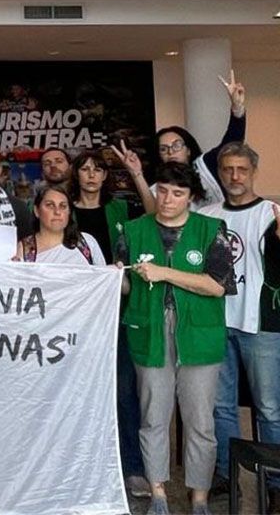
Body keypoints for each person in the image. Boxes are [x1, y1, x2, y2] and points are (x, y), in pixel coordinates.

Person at [116, 161, 235, 515]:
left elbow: (216, 286)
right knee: (153, 415)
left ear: (191, 198)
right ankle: (158, 494)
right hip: (148, 330)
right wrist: (113, 277)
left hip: (198, 335)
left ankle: (198, 497)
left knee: (200, 420)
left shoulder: (212, 229)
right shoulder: (132, 230)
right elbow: (124, 284)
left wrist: (165, 272)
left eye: (178, 193)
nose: (167, 199)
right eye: (162, 191)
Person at [69, 146, 153, 499]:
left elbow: (153, 215)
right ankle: (76, 465)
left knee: (123, 392)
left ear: (105, 176)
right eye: (85, 168)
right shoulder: (62, 209)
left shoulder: (120, 209)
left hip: (117, 313)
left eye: (97, 169)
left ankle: (132, 467)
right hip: (73, 316)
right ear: (77, 175)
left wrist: (136, 173)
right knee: (73, 391)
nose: (90, 174)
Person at [199, 143, 280, 506]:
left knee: (269, 408)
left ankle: (275, 480)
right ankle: (231, 476)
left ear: (253, 172)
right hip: (216, 321)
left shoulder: (270, 214)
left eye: (242, 170)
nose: (234, 176)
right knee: (221, 406)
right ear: (220, 172)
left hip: (260, 324)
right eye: (228, 169)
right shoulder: (207, 214)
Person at [153, 70, 246, 208]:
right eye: (163, 149)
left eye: (176, 145)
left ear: (188, 150)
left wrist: (237, 108)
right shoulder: (157, 185)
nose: (170, 152)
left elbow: (232, 142)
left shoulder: (205, 166)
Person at [16, 185, 104, 266]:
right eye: (50, 205)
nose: (57, 212)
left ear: (69, 212)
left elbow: (104, 279)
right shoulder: (23, 251)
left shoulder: (87, 243)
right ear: (37, 211)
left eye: (63, 206)